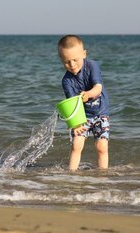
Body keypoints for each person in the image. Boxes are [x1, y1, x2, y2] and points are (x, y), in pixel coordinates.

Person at [58, 35, 110, 171]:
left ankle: (103, 174)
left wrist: (88, 94)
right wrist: (75, 124)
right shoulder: (66, 81)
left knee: (101, 146)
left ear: (84, 54)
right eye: (67, 62)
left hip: (101, 112)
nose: (72, 65)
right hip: (82, 115)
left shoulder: (92, 66)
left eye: (75, 60)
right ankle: (72, 173)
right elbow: (72, 105)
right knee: (76, 144)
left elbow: (98, 88)